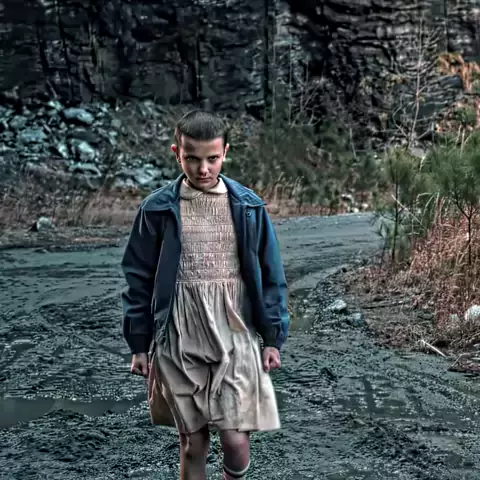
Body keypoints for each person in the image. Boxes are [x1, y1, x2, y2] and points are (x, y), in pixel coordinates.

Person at [121, 110, 290, 479]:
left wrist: (273, 338)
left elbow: (271, 275)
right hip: (179, 337)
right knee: (193, 444)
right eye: (192, 158)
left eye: (212, 158)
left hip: (235, 334)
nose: (203, 168)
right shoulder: (157, 209)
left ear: (225, 152)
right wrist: (139, 343)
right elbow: (138, 279)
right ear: (176, 153)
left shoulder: (248, 207)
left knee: (235, 441)